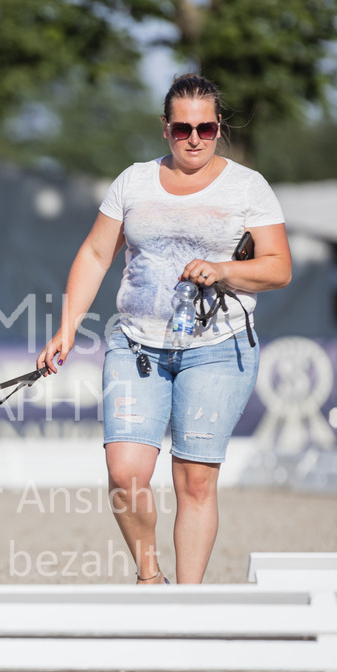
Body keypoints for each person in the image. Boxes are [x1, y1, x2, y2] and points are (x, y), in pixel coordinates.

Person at [37, 74, 291, 585]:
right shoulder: (133, 181)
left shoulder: (248, 187)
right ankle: (151, 579)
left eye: (205, 128)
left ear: (219, 127)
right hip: (137, 347)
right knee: (124, 475)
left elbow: (278, 268)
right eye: (182, 128)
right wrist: (67, 327)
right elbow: (95, 254)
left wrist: (223, 269)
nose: (194, 139)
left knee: (194, 481)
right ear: (165, 128)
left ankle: (187, 604)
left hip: (218, 347)